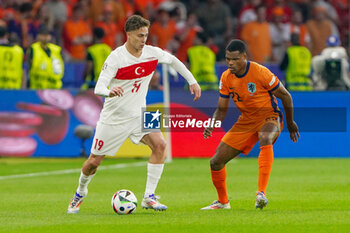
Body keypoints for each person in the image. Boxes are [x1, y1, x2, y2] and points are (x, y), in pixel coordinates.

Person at [67, 15, 201, 214]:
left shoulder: (151, 53)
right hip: (114, 118)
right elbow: (99, 87)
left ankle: (149, 197)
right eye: (140, 35)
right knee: (93, 162)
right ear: (128, 34)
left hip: (140, 113)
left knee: (161, 145)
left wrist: (192, 81)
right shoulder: (116, 57)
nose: (144, 39)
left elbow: (173, 61)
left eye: (146, 35)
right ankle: (80, 192)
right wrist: (109, 91)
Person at [201, 39, 299, 210]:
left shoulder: (260, 72)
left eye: (235, 59)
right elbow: (221, 110)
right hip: (246, 121)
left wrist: (290, 123)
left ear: (244, 57)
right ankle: (223, 202)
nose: (230, 63)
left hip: (269, 116)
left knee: (265, 137)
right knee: (215, 162)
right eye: (227, 59)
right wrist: (213, 123)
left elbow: (285, 96)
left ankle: (261, 193)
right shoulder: (226, 77)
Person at [27, 25, 64, 89]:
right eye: (43, 34)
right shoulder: (34, 48)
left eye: (47, 35)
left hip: (54, 86)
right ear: (38, 36)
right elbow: (30, 65)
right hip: (38, 87)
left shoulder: (56, 49)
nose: (46, 37)